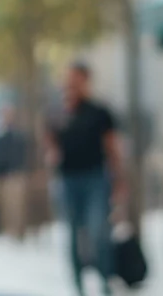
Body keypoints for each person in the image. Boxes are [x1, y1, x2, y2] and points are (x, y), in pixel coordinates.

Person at [47, 62, 126, 296]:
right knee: (71, 234)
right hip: (67, 180)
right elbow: (50, 146)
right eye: (68, 79)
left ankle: (104, 280)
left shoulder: (100, 112)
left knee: (98, 231)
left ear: (86, 80)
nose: (71, 84)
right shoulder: (56, 112)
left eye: (76, 79)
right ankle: (78, 286)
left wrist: (119, 180)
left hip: (95, 178)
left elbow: (112, 148)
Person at [0, 105, 31, 240]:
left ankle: (16, 231)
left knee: (16, 205)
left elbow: (23, 153)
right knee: (1, 206)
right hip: (0, 175)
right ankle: (4, 229)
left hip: (14, 174)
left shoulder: (18, 135)